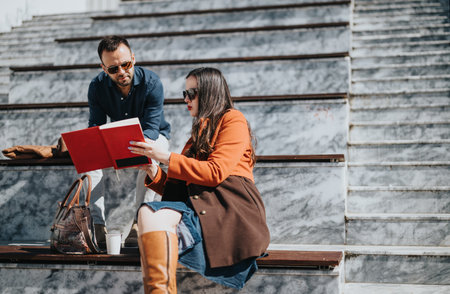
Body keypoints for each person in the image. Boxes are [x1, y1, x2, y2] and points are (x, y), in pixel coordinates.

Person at [128, 67, 270, 292]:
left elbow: (215, 172)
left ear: (211, 92)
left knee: (151, 213)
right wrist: (153, 171)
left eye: (192, 93)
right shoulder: (198, 134)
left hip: (228, 208)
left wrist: (163, 155)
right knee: (148, 211)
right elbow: (181, 190)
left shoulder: (233, 120)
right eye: (184, 94)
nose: (186, 99)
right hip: (200, 206)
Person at [85, 35, 171, 248]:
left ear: (133, 58)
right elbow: (95, 125)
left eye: (126, 64)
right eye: (113, 69)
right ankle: (97, 225)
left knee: (151, 153)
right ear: (104, 68)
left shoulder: (152, 83)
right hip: (116, 137)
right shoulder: (96, 87)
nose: (122, 72)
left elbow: (151, 129)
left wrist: (129, 147)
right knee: (89, 161)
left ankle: (140, 221)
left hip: (153, 135)